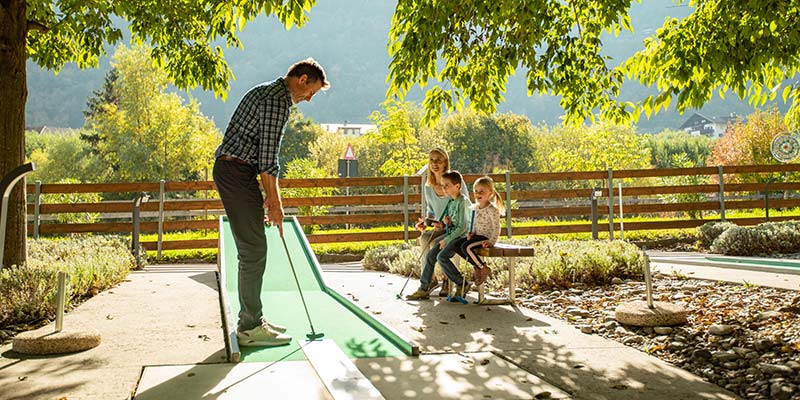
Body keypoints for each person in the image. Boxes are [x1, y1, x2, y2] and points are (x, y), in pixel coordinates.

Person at [213, 58, 329, 347]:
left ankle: (254, 318)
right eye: (311, 90)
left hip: (236, 171)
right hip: (237, 172)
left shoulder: (266, 91)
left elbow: (261, 157)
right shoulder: (278, 101)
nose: (309, 98)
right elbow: (268, 159)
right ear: (302, 79)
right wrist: (275, 204)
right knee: (253, 249)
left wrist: (269, 197)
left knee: (254, 248)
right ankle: (249, 327)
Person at [407, 170, 471, 302]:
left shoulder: (462, 202)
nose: (444, 189)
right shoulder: (451, 202)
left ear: (457, 186)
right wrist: (444, 224)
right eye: (443, 186)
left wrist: (446, 240)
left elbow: (463, 227)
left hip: (461, 238)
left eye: (447, 185)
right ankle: (424, 288)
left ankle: (461, 283)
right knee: (431, 255)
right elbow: (453, 224)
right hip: (451, 235)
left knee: (441, 257)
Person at [454, 176, 505, 286]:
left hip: (485, 237)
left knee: (466, 247)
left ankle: (482, 267)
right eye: (476, 191)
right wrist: (471, 233)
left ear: (490, 193)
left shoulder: (492, 210)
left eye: (482, 191)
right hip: (477, 236)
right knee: (456, 245)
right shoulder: (475, 208)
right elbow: (474, 223)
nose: (478, 194)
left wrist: (491, 241)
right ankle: (477, 265)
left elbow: (497, 227)